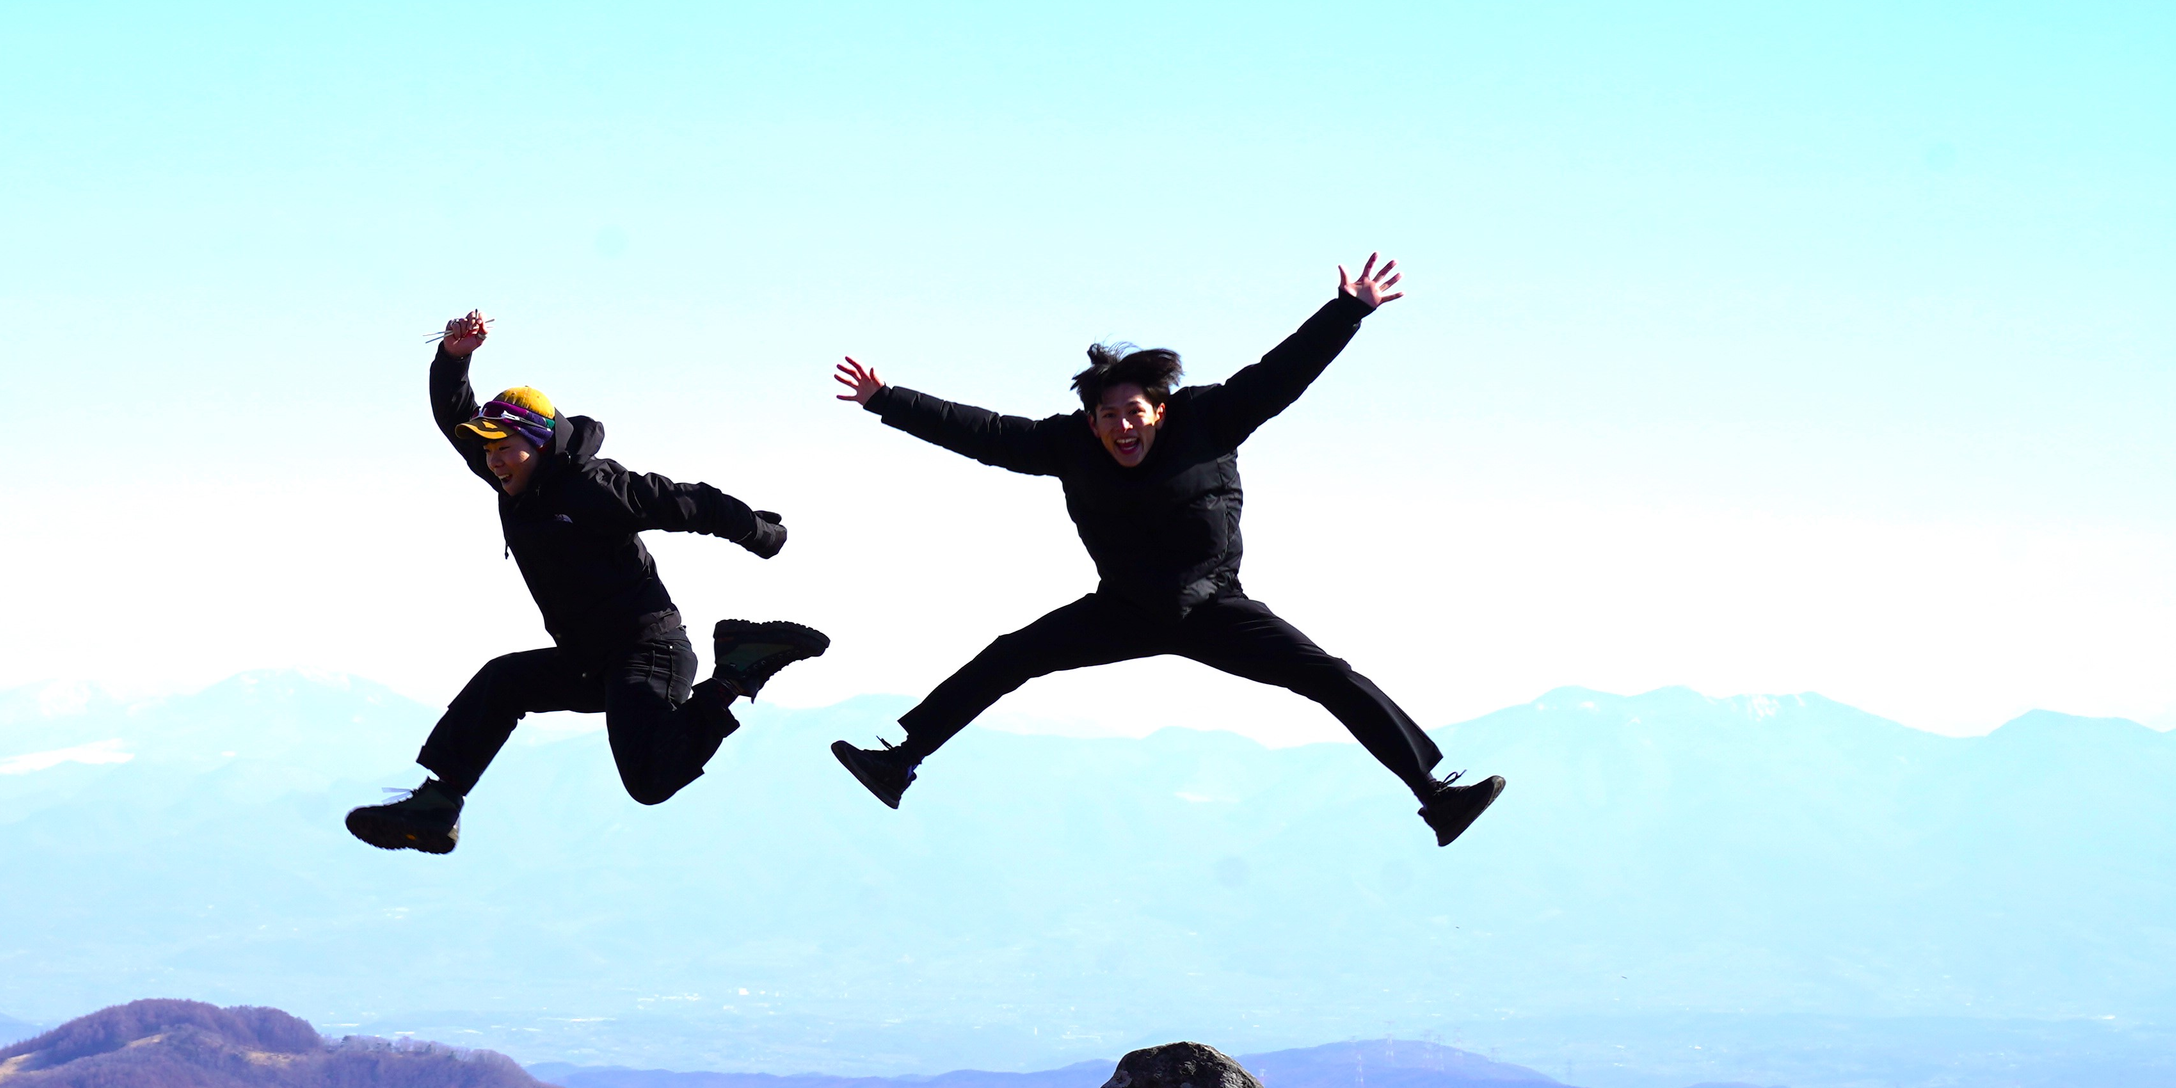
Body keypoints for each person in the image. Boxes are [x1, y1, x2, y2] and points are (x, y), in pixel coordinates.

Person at [825, 255, 1505, 846]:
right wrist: (887, 399)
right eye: (1108, 418)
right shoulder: (1066, 444)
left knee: (1328, 675)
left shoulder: (1211, 418)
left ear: (1159, 409)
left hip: (1214, 606)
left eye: (1134, 414)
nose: (1122, 428)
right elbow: (985, 433)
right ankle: (898, 762)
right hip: (1121, 608)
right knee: (1011, 655)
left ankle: (1437, 796)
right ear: (1090, 421)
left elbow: (1282, 374)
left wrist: (1347, 311)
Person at [346, 310, 830, 854]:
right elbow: (452, 413)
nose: (495, 461)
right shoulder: (515, 482)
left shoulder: (595, 488)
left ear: (540, 444)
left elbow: (688, 502)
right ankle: (437, 805)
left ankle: (736, 672)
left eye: (505, 448)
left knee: (650, 780)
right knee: (502, 682)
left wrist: (760, 533)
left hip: (647, 651)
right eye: (488, 450)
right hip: (587, 657)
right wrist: (455, 358)